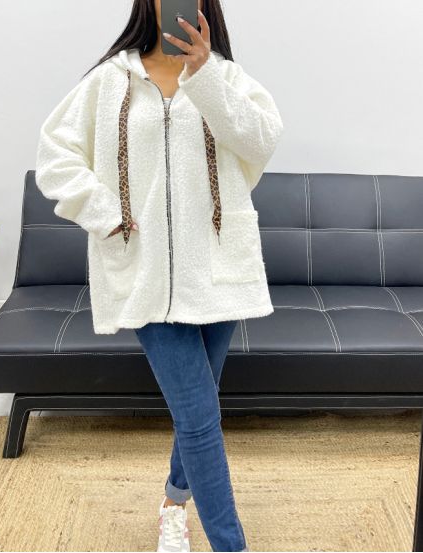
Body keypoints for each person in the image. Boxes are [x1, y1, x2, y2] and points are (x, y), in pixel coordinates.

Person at [35, 0, 284, 550]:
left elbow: (261, 141)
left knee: (199, 407)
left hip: (217, 267)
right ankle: (231, 544)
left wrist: (205, 75)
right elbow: (55, 156)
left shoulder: (224, 76)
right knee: (198, 417)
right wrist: (107, 214)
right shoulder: (110, 81)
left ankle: (174, 502)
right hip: (144, 270)